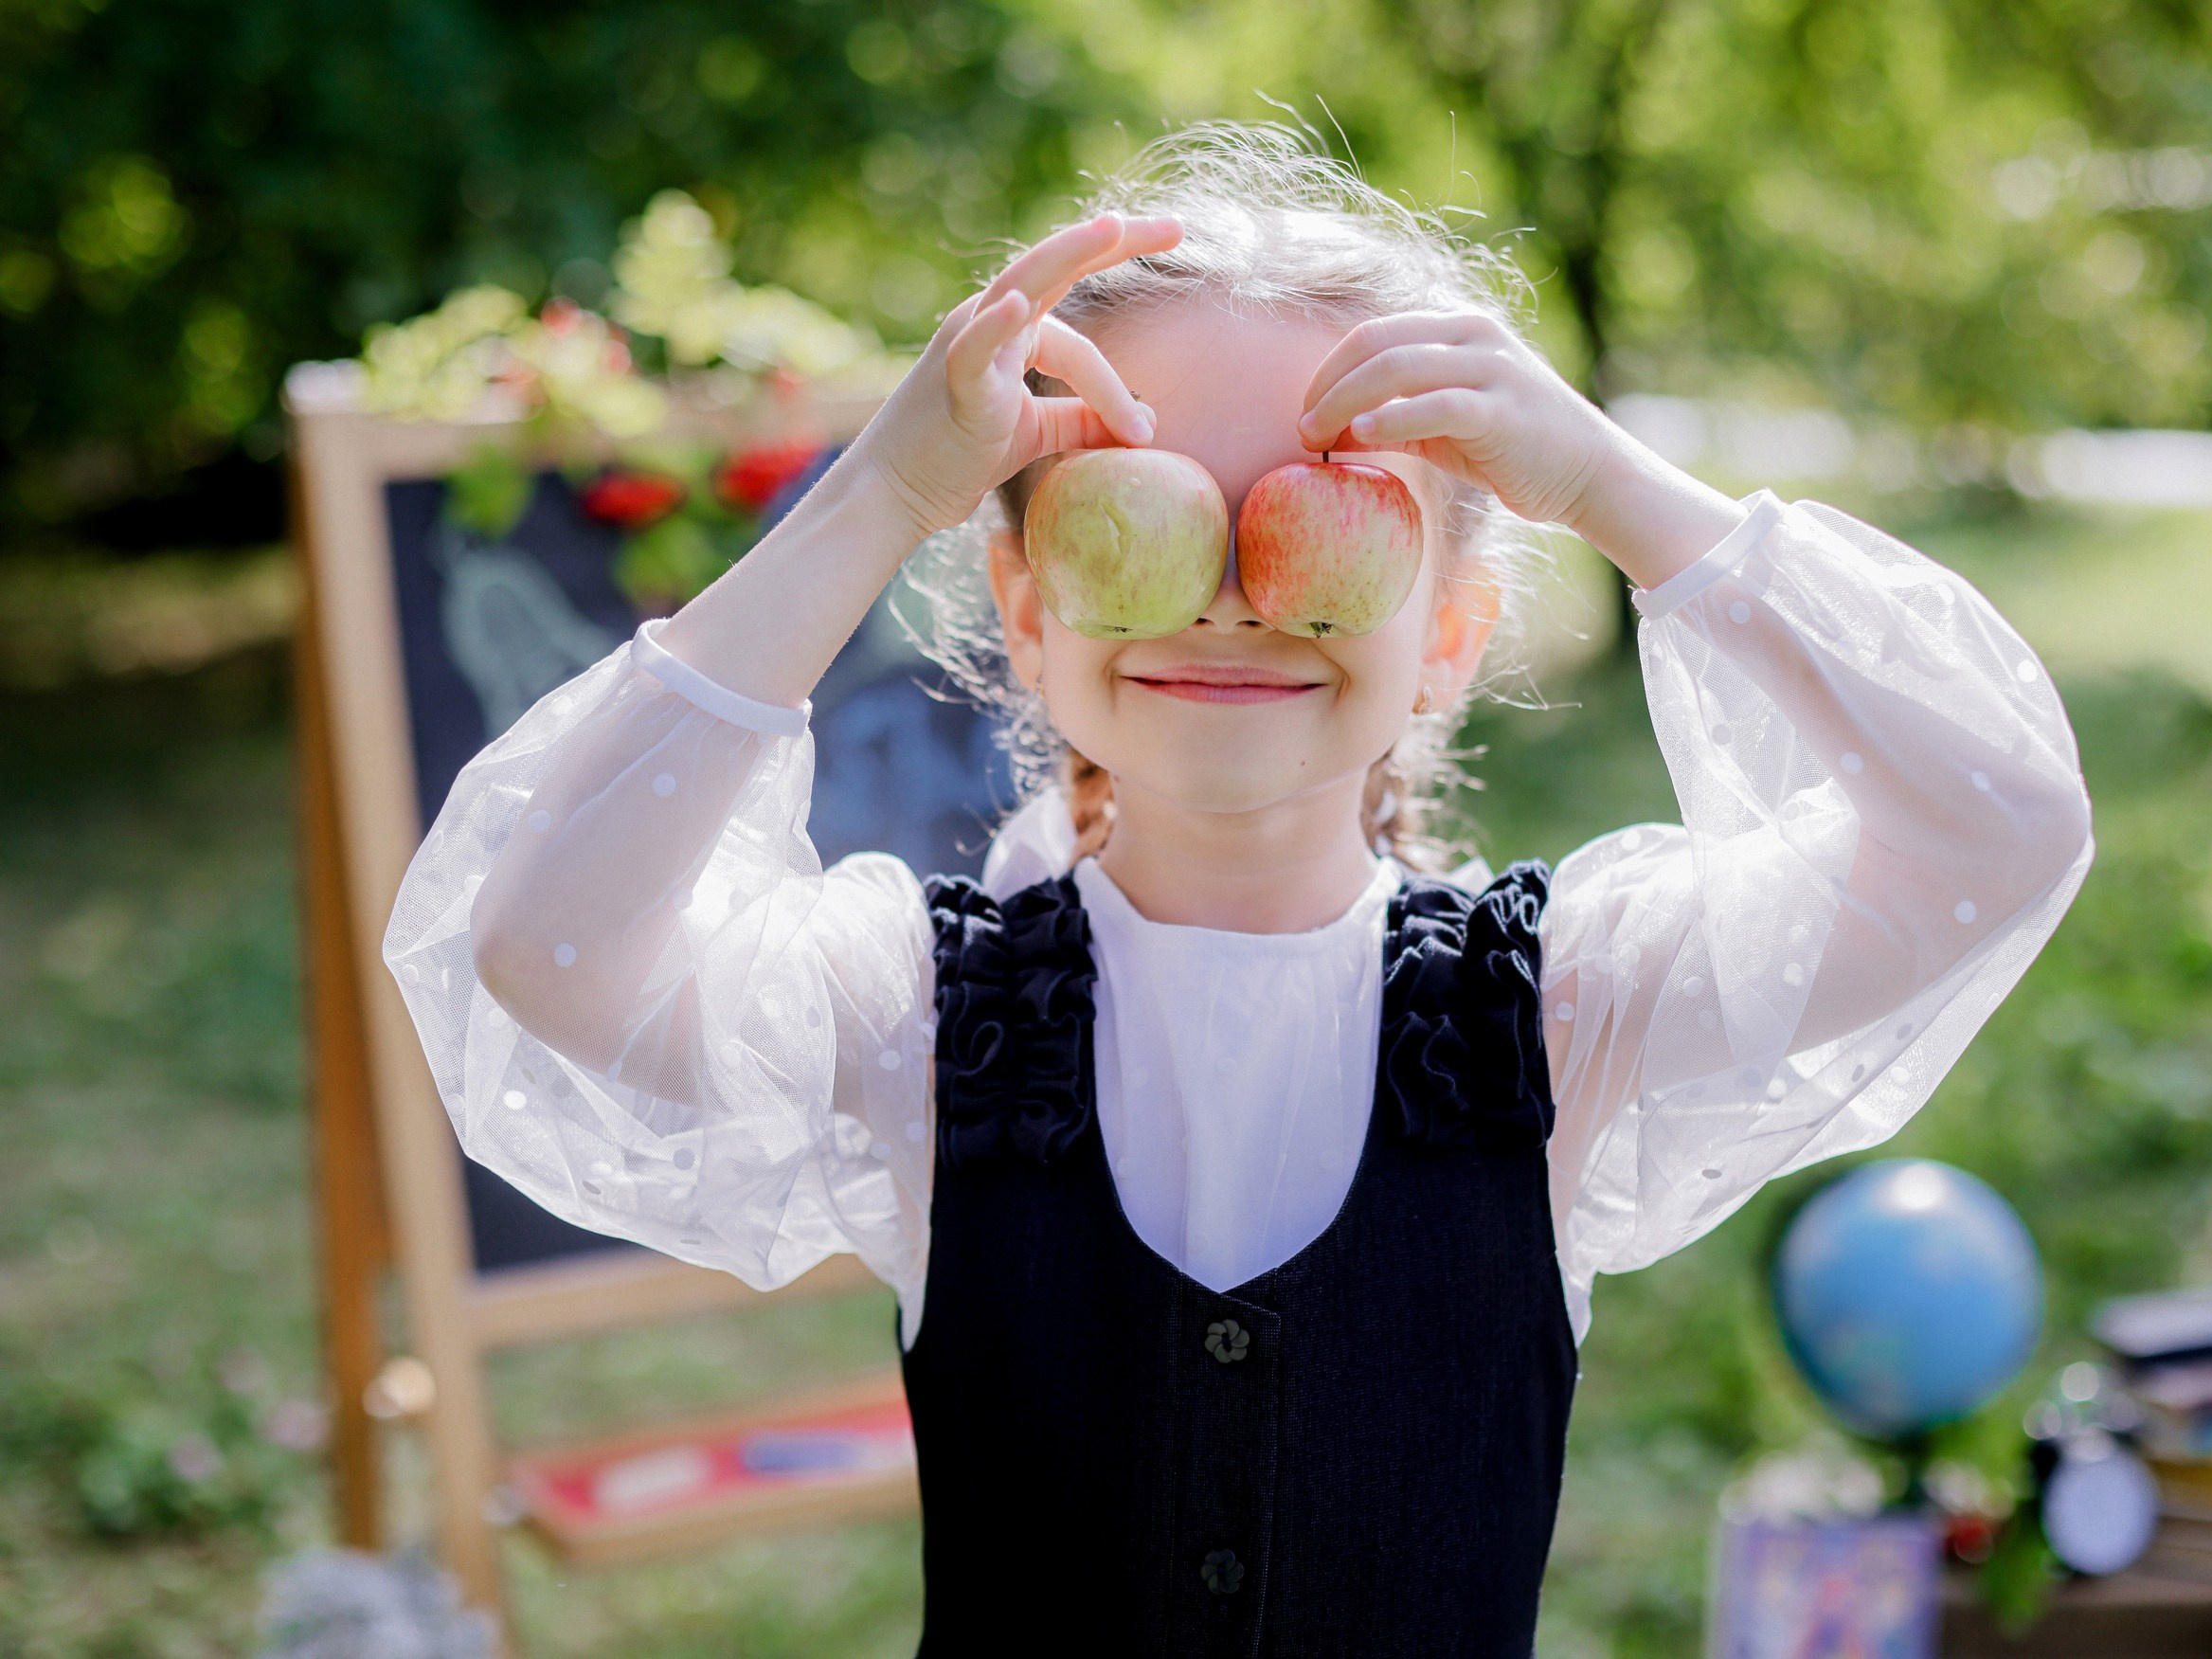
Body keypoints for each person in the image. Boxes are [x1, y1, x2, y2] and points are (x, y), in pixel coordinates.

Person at [384, 124, 2094, 1654]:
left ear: (1448, 632)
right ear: (1031, 609)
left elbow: (1997, 830)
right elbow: (544, 948)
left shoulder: (1566, 1009)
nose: (1229, 599)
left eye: (1317, 515)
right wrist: (882, 493)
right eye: (1148, 520)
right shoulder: (920, 1019)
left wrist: (1609, 490)